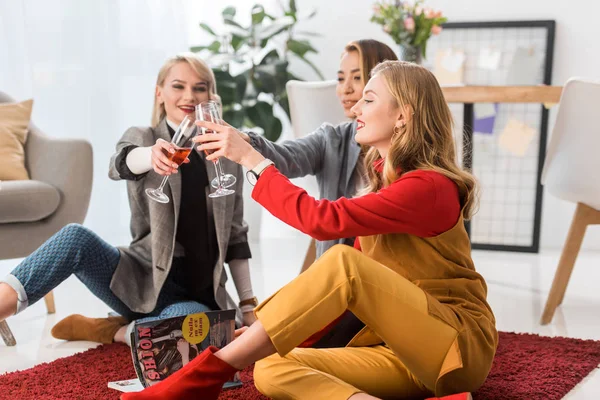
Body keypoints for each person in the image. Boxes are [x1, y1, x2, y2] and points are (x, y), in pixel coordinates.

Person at [121, 60, 498, 400]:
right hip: (402, 354)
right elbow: (342, 295)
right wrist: (265, 333)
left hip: (453, 347)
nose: (355, 108)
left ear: (403, 115)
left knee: (344, 261)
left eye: (368, 99)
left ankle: (203, 377)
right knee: (272, 367)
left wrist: (251, 158)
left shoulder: (429, 187)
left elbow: (322, 222)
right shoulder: (386, 184)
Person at [0, 54, 257, 347]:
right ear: (159, 92)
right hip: (138, 280)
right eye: (178, 86)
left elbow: (236, 234)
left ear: (211, 96)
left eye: (199, 88)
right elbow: (119, 163)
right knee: (75, 237)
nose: (189, 96)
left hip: (194, 295)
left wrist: (248, 306)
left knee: (193, 331)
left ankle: (109, 330)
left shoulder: (227, 154)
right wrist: (151, 155)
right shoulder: (144, 137)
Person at [243, 39, 398, 259]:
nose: (346, 89)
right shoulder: (332, 139)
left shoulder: (408, 157)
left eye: (357, 77)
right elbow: (285, 156)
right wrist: (246, 143)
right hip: (338, 267)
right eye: (340, 79)